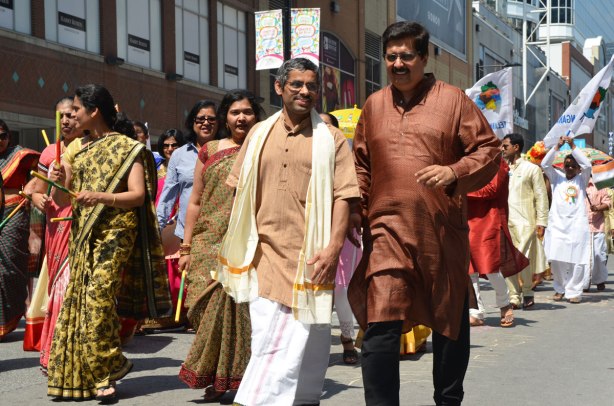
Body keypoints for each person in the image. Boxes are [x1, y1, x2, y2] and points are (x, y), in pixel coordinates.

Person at [348, 21, 501, 406]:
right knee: (380, 322)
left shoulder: (453, 100)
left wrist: (454, 172)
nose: (398, 63)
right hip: (385, 231)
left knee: (450, 324)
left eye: (407, 56)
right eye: (391, 56)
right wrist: (356, 209)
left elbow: (488, 150)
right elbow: (361, 165)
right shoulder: (373, 105)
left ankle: (448, 400)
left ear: (424, 57)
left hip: (439, 232)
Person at [214, 58, 359, 405]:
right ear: (279, 87)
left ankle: (303, 398)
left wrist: (332, 248)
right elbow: (239, 192)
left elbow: (344, 197)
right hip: (262, 254)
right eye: (296, 84)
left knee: (309, 338)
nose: (305, 91)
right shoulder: (258, 133)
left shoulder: (332, 139)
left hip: (310, 255)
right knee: (276, 340)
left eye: (311, 85)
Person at [46, 84, 172, 401]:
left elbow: (138, 195)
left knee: (99, 299)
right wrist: (58, 180)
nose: (70, 116)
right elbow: (61, 198)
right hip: (84, 234)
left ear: (93, 111)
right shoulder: (75, 150)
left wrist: (100, 196)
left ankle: (105, 373)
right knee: (79, 303)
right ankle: (82, 375)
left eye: (75, 110)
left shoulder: (128, 149)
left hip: (118, 232)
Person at [178, 89, 264, 400]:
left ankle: (233, 380)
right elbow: (196, 201)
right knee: (202, 307)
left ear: (256, 117)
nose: (241, 117)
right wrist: (186, 247)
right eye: (235, 112)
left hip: (246, 243)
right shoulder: (210, 149)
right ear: (225, 118)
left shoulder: (262, 148)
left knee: (240, 314)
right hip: (207, 241)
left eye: (248, 112)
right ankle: (214, 375)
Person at [25, 97, 82, 370]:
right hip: (56, 224)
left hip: (84, 221)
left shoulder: (90, 148)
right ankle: (54, 349)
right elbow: (32, 187)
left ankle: (78, 350)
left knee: (76, 285)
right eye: (61, 117)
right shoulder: (50, 152)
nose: (67, 121)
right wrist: (37, 199)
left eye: (72, 115)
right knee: (59, 284)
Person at [467, 160, 529, 328]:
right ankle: (475, 311)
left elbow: (492, 189)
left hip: (489, 220)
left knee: (490, 267)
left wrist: (460, 190)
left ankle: (504, 304)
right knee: (469, 269)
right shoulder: (466, 160)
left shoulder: (497, 162)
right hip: (467, 219)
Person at [136, 128, 187, 334]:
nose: (169, 149)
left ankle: (179, 313)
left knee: (175, 266)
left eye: (174, 145)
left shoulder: (188, 167)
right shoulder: (155, 170)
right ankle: (156, 314)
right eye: (165, 145)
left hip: (178, 221)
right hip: (157, 221)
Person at [320, 112, 361, 364]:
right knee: (316, 289)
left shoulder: (347, 158)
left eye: (327, 126)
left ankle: (347, 339)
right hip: (309, 231)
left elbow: (356, 193)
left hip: (344, 231)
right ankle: (317, 345)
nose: (322, 130)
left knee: (342, 289)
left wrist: (354, 216)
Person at [0, 119, 40, 340]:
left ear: (9, 136)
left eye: (3, 136)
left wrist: (31, 187)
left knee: (10, 266)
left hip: (14, 211)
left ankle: (9, 317)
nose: (0, 141)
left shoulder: (22, 155)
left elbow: (43, 170)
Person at [157, 100, 218, 243]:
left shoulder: (227, 151)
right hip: (187, 236)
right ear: (192, 122)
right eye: (200, 119)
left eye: (211, 119)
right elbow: (168, 196)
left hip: (221, 234)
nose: (206, 123)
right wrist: (157, 229)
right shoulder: (179, 155)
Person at [500, 133, 549, 309]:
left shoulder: (532, 169)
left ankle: (527, 291)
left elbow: (541, 197)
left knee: (524, 258)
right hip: (505, 222)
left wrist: (541, 221)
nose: (502, 149)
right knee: (507, 260)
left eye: (505, 146)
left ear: (516, 148)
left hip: (526, 222)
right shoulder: (501, 169)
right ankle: (513, 296)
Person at [541, 136, 592, 304]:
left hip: (577, 224)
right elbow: (544, 164)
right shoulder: (557, 178)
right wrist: (557, 147)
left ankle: (574, 291)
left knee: (578, 259)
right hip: (557, 225)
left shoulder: (581, 180)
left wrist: (572, 146)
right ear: (563, 167)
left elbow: (588, 165)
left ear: (578, 168)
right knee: (556, 257)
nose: (569, 168)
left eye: (573, 166)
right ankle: (560, 288)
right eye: (567, 165)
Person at [585, 178, 611, 292]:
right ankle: (584, 283)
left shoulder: (600, 185)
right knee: (584, 257)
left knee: (598, 255)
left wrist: (598, 208)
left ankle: (600, 280)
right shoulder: (577, 184)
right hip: (582, 227)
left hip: (598, 226)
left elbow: (607, 203)